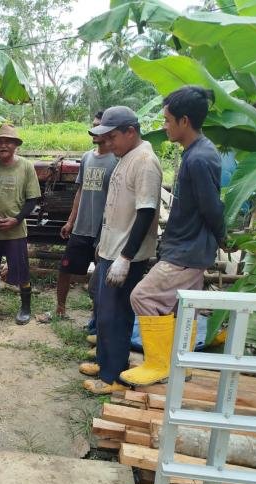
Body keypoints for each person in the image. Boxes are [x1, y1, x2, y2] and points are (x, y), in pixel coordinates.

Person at [120, 86, 224, 386]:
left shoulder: (199, 158)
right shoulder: (197, 152)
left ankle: (158, 364)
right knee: (181, 305)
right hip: (188, 247)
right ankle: (182, 364)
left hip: (187, 250)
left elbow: (211, 207)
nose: (164, 126)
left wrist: (221, 235)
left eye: (167, 120)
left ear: (184, 121)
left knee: (143, 296)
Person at [82, 106, 162, 395]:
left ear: (131, 132)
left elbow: (145, 212)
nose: (108, 144)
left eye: (112, 137)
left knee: (117, 317)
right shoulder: (126, 157)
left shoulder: (145, 162)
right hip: (109, 250)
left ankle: (113, 376)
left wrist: (126, 257)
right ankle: (105, 363)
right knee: (105, 313)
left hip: (124, 256)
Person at [0, 124, 41, 324]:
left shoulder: (26, 167)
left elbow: (32, 200)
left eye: (8, 142)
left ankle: (25, 306)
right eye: (0, 142)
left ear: (15, 145)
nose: (3, 145)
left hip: (15, 231)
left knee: (21, 268)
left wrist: (17, 219)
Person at [56, 111, 117, 323]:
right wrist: (71, 221)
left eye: (98, 126)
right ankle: (60, 308)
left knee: (100, 278)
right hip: (81, 227)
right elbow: (80, 191)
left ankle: (95, 317)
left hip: (103, 231)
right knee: (65, 267)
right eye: (92, 125)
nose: (93, 130)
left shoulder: (117, 160)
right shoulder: (87, 157)